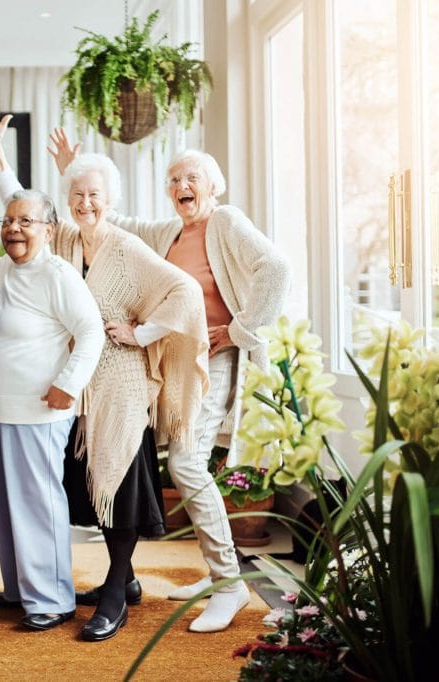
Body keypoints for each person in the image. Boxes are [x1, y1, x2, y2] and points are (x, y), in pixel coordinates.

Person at [0, 96, 209, 642]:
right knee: (85, 484)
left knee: (119, 480)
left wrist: (143, 332)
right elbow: (19, 204)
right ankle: (120, 581)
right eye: (76, 195)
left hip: (121, 380)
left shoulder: (126, 246)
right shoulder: (65, 239)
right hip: (79, 382)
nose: (85, 203)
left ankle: (114, 590)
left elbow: (183, 289)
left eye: (94, 195)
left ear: (111, 200)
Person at [48, 129, 292, 632]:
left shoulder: (224, 221)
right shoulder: (167, 234)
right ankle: (195, 575)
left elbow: (276, 267)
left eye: (192, 177)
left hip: (214, 359)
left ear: (213, 186)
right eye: (174, 179)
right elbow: (106, 220)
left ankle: (228, 582)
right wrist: (75, 170)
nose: (182, 185)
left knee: (185, 464)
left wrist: (243, 329)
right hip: (172, 364)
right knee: (169, 463)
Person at [0, 188, 105, 633]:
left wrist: (68, 385)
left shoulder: (58, 274)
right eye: (8, 220)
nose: (13, 228)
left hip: (41, 407)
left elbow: (91, 332)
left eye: (25, 221)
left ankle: (52, 597)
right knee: (5, 504)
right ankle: (20, 589)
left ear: (48, 230)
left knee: (37, 504)